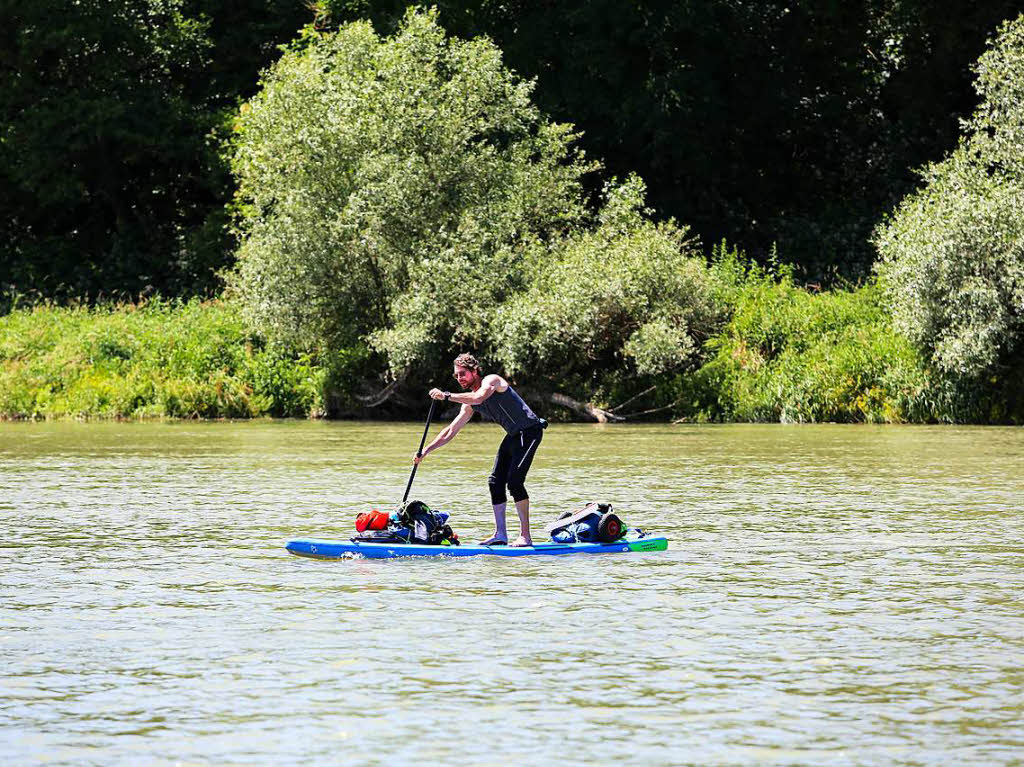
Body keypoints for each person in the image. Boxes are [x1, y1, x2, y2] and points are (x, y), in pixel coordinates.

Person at [413, 353, 545, 547]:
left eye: (463, 374)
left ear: (475, 371)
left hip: (529, 431)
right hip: (513, 435)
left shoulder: (492, 380)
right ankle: (500, 534)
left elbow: (479, 397)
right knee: (494, 481)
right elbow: (450, 430)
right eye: (457, 376)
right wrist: (425, 450)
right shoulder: (469, 404)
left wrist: (447, 395)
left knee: (515, 481)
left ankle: (525, 536)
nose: (460, 379)